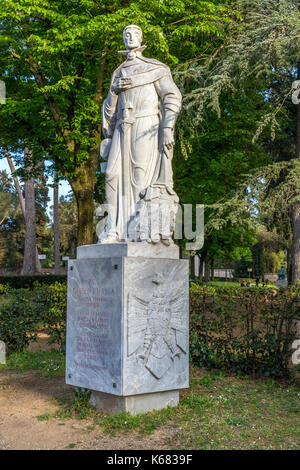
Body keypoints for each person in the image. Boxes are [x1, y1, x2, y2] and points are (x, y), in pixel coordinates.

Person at [99, 25, 182, 244]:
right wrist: (114, 91)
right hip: (121, 128)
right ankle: (113, 229)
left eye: (134, 33)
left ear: (141, 38)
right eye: (126, 34)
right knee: (111, 175)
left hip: (146, 125)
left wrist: (167, 127)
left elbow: (172, 96)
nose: (129, 37)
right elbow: (109, 111)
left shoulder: (155, 68)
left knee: (140, 177)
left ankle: (137, 232)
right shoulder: (118, 72)